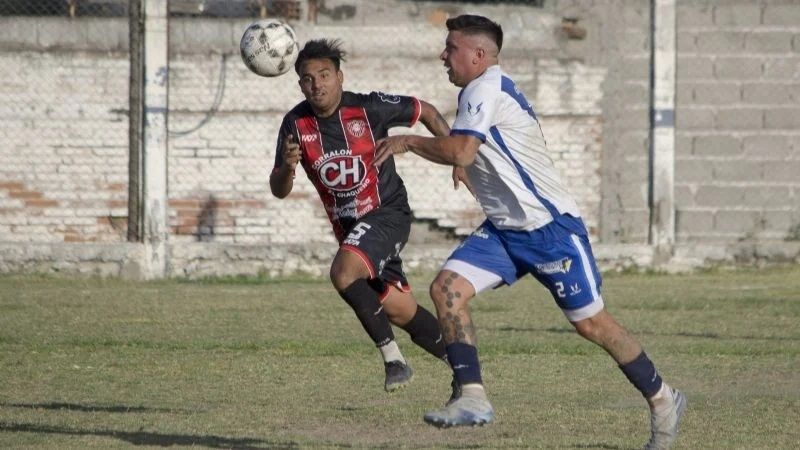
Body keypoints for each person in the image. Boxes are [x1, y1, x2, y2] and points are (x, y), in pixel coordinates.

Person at [373, 15, 686, 449]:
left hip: (550, 230)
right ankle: (473, 397)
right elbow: (470, 149)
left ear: (478, 55)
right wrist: (462, 162)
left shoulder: (486, 88)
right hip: (505, 232)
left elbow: (462, 148)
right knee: (447, 288)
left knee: (592, 325)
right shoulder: (478, 90)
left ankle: (663, 398)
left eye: (451, 48)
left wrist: (408, 141)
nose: (443, 55)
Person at [270, 38, 454, 393]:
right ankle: (464, 369)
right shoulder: (294, 123)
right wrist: (287, 168)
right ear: (300, 85)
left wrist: (455, 157)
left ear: (340, 77)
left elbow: (427, 111)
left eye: (324, 74)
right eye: (308, 78)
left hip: (388, 213)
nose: (317, 84)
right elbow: (279, 189)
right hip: (351, 231)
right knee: (400, 311)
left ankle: (394, 360)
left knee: (342, 272)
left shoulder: (369, 108)